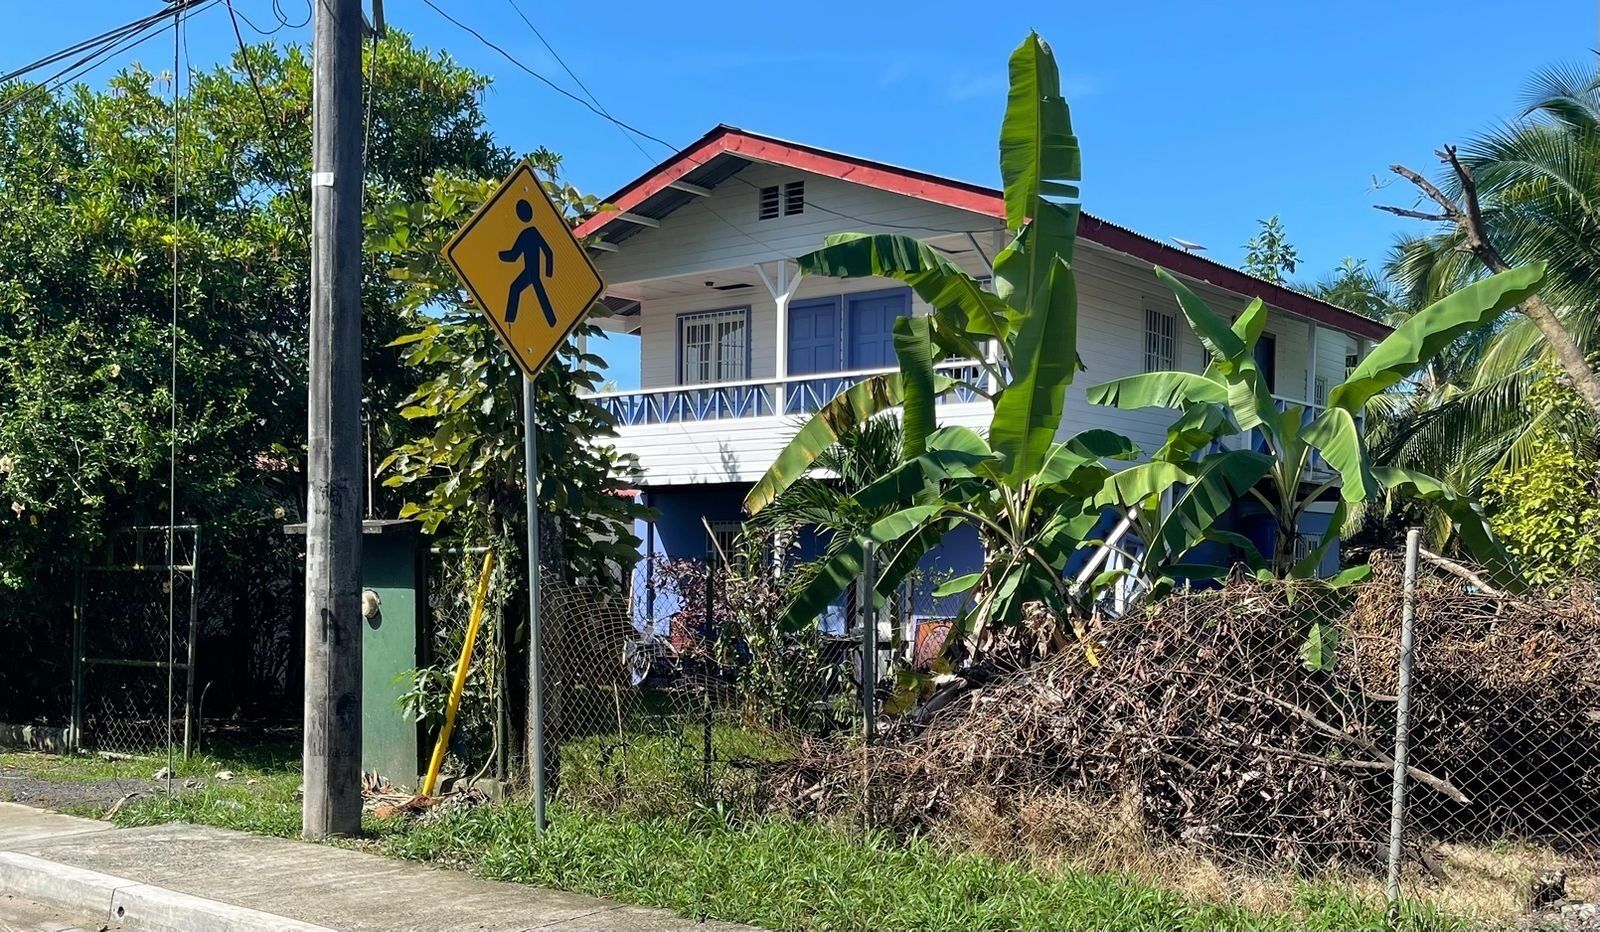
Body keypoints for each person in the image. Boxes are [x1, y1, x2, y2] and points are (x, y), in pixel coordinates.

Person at [499, 199, 557, 326]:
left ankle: (552, 321)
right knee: (516, 289)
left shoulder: (530, 233)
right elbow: (514, 255)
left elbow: (549, 252)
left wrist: (549, 273)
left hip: (533, 272)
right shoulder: (527, 233)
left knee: (538, 295)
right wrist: (499, 256)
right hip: (529, 272)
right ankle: (510, 322)